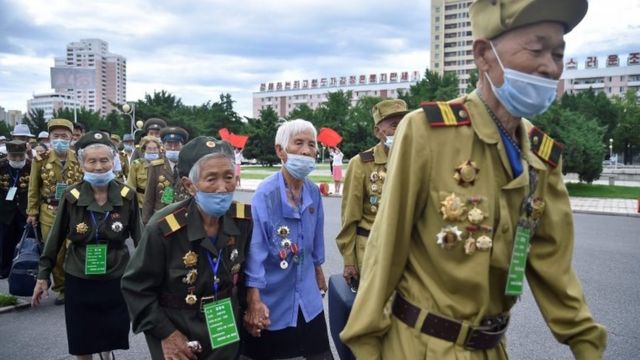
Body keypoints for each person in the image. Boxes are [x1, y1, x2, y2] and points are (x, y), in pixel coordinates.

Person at [340, 1, 607, 359]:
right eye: (537, 48)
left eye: (558, 54)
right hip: (418, 346)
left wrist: (586, 343)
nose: (550, 66)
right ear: (483, 54)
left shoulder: (542, 158)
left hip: (490, 349)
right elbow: (385, 248)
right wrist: (366, 343)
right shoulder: (426, 132)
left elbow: (554, 268)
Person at [122, 136, 253, 360]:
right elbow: (136, 288)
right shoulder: (163, 227)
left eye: (229, 177)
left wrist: (252, 305)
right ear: (189, 185)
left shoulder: (242, 220)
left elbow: (247, 274)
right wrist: (167, 335)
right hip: (176, 325)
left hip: (224, 324)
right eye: (211, 179)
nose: (222, 188)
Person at [31, 131, 142, 360]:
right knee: (82, 336)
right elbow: (55, 238)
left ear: (113, 162)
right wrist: (43, 275)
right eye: (92, 161)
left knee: (111, 330)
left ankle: (106, 352)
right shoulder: (71, 196)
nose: (99, 166)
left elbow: (141, 241)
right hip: (79, 274)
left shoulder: (127, 195)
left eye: (104, 160)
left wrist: (149, 277)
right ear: (82, 164)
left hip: (116, 274)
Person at [243, 119, 331, 359]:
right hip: (272, 295)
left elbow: (316, 236)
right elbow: (256, 251)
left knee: (317, 351)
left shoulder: (313, 191)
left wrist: (318, 268)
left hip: (307, 293)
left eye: (312, 145)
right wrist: (253, 300)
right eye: (299, 143)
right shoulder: (266, 193)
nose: (306, 151)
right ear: (280, 150)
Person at [335, 99, 408, 287]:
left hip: (408, 249)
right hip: (372, 248)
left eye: (405, 123)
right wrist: (349, 260)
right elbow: (350, 215)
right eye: (394, 125)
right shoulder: (361, 164)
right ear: (378, 132)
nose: (400, 130)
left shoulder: (416, 159)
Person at [26, 118, 84, 305]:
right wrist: (32, 212)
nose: (60, 139)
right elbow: (33, 188)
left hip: (74, 210)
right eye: (56, 136)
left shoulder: (79, 158)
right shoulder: (40, 160)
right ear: (50, 138)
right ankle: (62, 288)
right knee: (55, 251)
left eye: (64, 136)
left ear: (71, 138)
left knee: (74, 248)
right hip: (49, 211)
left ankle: (77, 284)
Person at [142, 126, 190, 224]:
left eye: (176, 144)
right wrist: (146, 222)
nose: (172, 148)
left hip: (183, 217)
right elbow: (149, 197)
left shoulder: (189, 166)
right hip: (161, 217)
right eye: (169, 144)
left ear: (182, 146)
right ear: (163, 146)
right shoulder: (155, 166)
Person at [0, 140, 32, 278]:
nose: (18, 159)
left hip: (25, 211)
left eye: (21, 156)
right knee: (4, 242)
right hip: (5, 212)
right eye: (14, 156)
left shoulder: (31, 166)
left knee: (26, 243)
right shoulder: (1, 166)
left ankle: (24, 269)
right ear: (8, 155)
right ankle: (4, 269)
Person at [127, 136, 162, 208]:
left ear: (159, 150)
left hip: (159, 204)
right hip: (141, 204)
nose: (152, 151)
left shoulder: (164, 165)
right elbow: (130, 185)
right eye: (149, 149)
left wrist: (166, 205)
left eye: (155, 149)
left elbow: (169, 188)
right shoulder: (136, 165)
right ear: (144, 150)